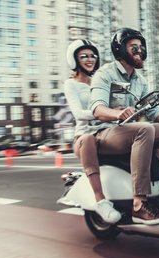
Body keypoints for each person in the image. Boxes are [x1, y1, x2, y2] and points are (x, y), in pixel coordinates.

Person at [88, 27, 159, 225]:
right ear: (121, 49)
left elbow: (154, 113)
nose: (140, 51)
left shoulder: (140, 81)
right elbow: (96, 109)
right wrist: (116, 113)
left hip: (128, 131)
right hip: (104, 133)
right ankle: (139, 204)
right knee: (145, 128)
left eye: (141, 47)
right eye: (134, 47)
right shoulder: (105, 74)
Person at [63, 39, 121, 224]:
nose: (90, 59)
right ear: (74, 60)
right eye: (84, 56)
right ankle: (100, 200)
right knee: (88, 138)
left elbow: (114, 105)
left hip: (106, 133)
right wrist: (107, 114)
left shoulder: (101, 81)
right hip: (83, 137)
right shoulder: (71, 84)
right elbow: (78, 113)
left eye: (92, 55)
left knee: (145, 131)